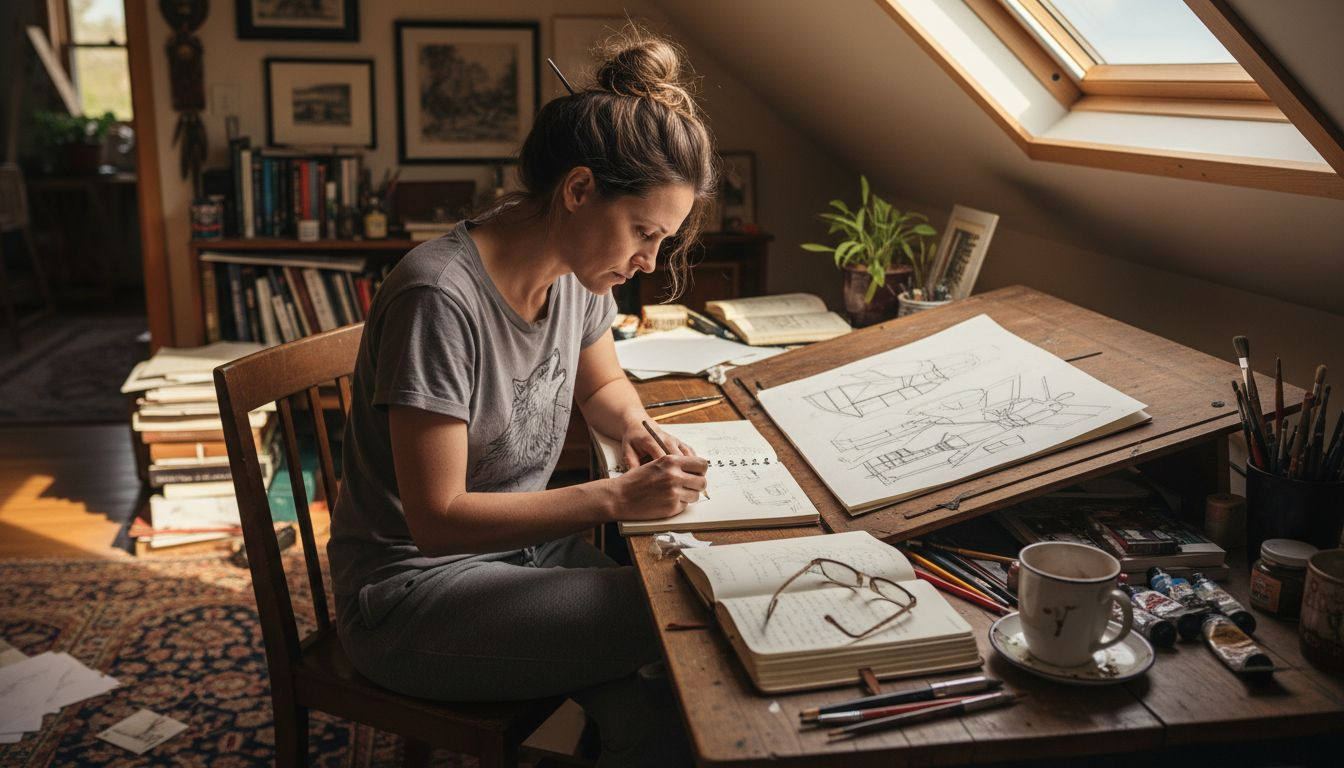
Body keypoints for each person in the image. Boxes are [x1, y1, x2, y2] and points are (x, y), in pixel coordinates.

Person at [327, 29, 717, 767]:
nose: (648, 262)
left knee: (666, 676)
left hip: (522, 552)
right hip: (410, 592)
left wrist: (640, 431)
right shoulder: (439, 297)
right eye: (643, 232)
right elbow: (437, 521)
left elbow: (602, 383)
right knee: (680, 617)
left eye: (662, 240)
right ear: (577, 190)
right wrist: (613, 499)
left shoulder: (575, 274)